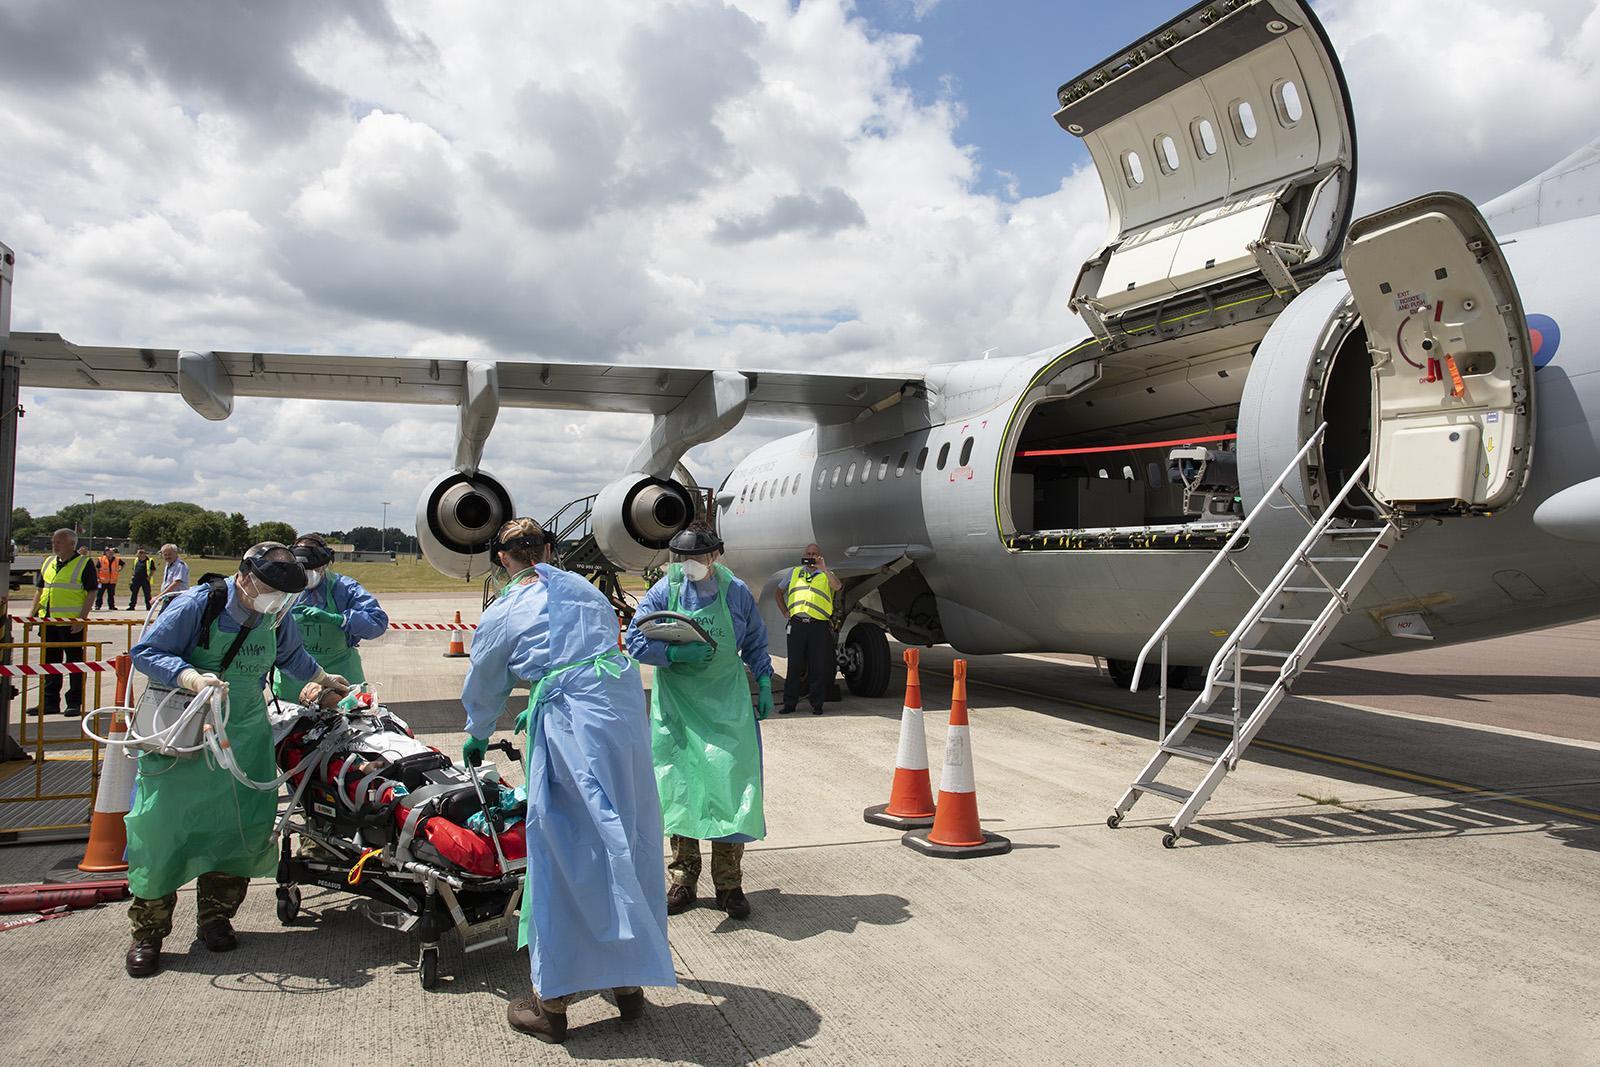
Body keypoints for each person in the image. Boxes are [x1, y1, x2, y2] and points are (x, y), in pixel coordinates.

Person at [461, 518, 673, 1042]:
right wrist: (545, 693)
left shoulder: (507, 607)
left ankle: (551, 1003)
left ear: (503, 558)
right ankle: (628, 982)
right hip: (618, 722)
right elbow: (585, 656)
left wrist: (478, 731)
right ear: (549, 549)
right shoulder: (585, 590)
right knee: (625, 839)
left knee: (564, 851)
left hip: (571, 729)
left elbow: (486, 676)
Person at [122, 542, 349, 978]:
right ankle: (148, 933)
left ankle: (216, 918)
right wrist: (189, 676)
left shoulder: (275, 613)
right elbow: (147, 652)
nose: (274, 601)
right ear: (244, 576)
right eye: (269, 590)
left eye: (281, 596)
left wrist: (322, 677)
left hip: (244, 734)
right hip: (188, 732)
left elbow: (290, 656)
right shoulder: (199, 604)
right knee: (163, 829)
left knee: (237, 828)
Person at [625, 521, 772, 921]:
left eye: (698, 557)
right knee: (680, 787)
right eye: (682, 557)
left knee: (730, 787)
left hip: (726, 704)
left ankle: (729, 884)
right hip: (678, 705)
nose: (689, 564)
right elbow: (635, 639)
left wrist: (763, 680)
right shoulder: (664, 591)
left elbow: (755, 640)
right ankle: (683, 880)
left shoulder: (735, 591)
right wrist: (673, 655)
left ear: (715, 556)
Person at [270, 534, 389, 703]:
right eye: (302, 569)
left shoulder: (344, 588)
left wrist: (339, 619)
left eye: (314, 569)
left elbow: (377, 621)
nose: (308, 574)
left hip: (341, 674)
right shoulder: (282, 587)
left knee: (346, 714)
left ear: (325, 564)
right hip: (294, 677)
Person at [29, 528, 97, 717]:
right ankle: (49, 702)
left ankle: (74, 703)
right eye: (54, 541)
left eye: (59, 541)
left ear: (72, 544)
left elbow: (92, 592)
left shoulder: (84, 563)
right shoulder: (49, 562)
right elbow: (40, 590)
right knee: (50, 663)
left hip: (71, 623)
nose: (55, 544)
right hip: (48, 621)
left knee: (74, 663)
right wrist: (32, 615)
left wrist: (81, 619)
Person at [780, 542, 842, 715]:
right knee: (794, 665)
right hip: (798, 624)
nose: (811, 556)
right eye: (808, 553)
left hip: (818, 625)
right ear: (804, 555)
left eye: (814, 554)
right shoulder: (794, 573)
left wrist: (824, 569)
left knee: (818, 666)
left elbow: (837, 587)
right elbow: (778, 591)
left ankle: (817, 704)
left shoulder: (826, 574)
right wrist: (785, 611)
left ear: (819, 556)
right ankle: (789, 703)